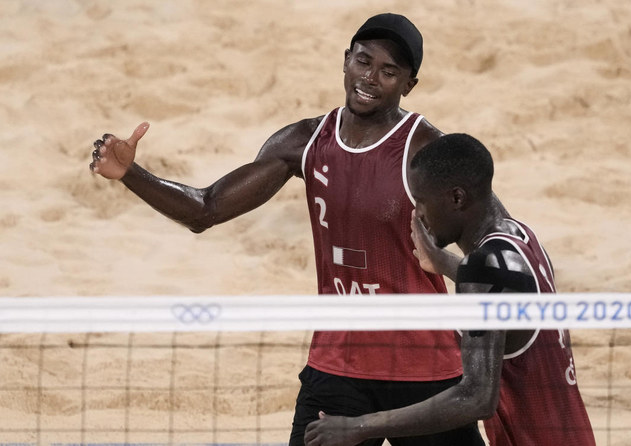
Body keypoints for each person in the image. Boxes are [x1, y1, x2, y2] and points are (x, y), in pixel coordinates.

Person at [89, 13, 484, 446]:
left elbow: (488, 244)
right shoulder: (304, 142)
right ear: (346, 60)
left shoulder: (425, 150)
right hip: (338, 367)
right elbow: (206, 209)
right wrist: (131, 173)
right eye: (363, 62)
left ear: (409, 84)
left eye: (388, 71)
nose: (370, 78)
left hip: (424, 367)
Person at [304, 133, 596, 446]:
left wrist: (358, 427)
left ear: (456, 198)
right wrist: (443, 261)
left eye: (421, 201)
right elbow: (504, 287)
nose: (417, 213)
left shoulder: (482, 272)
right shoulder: (521, 239)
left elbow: (476, 398)